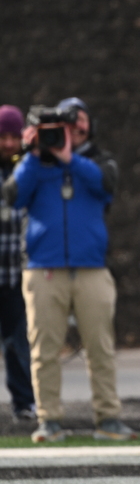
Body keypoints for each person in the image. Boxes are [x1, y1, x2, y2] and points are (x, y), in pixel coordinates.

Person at [2, 97, 134, 442]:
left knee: (100, 348)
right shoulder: (34, 164)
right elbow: (13, 195)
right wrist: (33, 155)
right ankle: (49, 419)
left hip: (91, 267)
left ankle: (108, 418)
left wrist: (69, 159)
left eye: (80, 122)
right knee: (43, 350)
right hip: (43, 268)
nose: (73, 129)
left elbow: (107, 185)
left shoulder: (98, 161)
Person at [0, 105, 36, 423]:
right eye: (3, 137)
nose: (8, 144)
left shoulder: (27, 170)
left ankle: (24, 402)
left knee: (17, 344)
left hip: (16, 273)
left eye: (14, 137)